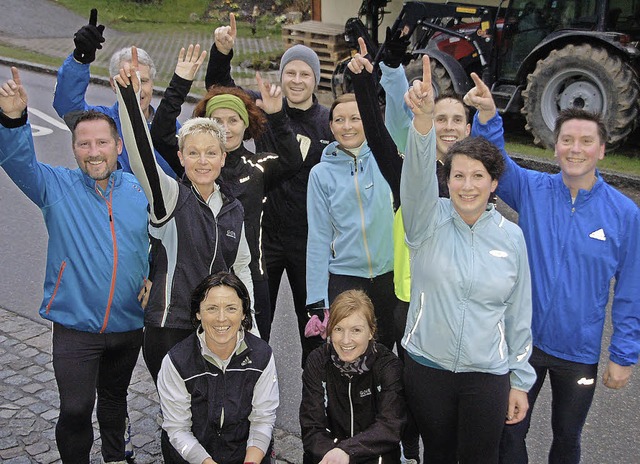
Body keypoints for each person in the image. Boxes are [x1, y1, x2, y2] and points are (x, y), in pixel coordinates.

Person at [463, 74, 640, 464]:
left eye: (586, 141)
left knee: (567, 439)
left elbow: (631, 290)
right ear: (555, 146)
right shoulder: (532, 189)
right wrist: (489, 115)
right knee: (510, 433)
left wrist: (624, 356)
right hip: (523, 343)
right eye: (567, 140)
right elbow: (495, 160)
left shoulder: (625, 214)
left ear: (602, 150)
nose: (575, 149)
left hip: (578, 352)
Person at [0, 67, 149, 464]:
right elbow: (18, 161)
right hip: (75, 327)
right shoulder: (56, 187)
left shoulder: (141, 191)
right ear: (74, 149)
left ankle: (117, 456)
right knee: (76, 408)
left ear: (118, 146)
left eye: (102, 142)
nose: (94, 151)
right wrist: (14, 120)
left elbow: (165, 240)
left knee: (115, 402)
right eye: (84, 144)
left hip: (129, 323)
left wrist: (157, 275)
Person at [400, 57, 536, 464]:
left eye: (478, 176)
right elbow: (417, 178)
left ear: (494, 183)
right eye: (458, 175)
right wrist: (424, 122)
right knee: (438, 456)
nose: (467, 185)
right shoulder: (426, 220)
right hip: (428, 368)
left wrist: (520, 381)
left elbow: (519, 315)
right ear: (449, 178)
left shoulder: (511, 238)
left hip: (487, 374)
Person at [113, 48, 255, 387]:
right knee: (177, 424)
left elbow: (241, 268)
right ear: (180, 156)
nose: (202, 161)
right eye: (193, 152)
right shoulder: (171, 197)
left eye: (210, 153)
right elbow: (141, 155)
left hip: (216, 328)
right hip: (169, 327)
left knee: (212, 417)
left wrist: (250, 324)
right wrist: (129, 100)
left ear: (223, 157)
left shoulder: (233, 208)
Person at [149, 44, 303, 341]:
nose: (226, 128)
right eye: (217, 121)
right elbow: (160, 134)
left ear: (246, 126)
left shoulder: (258, 167)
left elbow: (292, 160)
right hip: (194, 276)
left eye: (233, 120)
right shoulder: (194, 163)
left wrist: (278, 116)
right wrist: (180, 81)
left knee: (250, 357)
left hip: (250, 278)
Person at [206, 13, 333, 364]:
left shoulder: (328, 123)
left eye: (304, 74)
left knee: (315, 332)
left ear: (315, 80)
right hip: (264, 241)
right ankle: (247, 394)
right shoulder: (261, 109)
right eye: (290, 72)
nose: (296, 80)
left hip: (311, 243)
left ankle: (316, 405)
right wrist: (222, 52)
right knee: (254, 322)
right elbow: (220, 90)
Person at [305, 43, 399, 350]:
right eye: (339, 120)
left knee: (385, 352)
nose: (347, 126)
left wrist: (372, 78)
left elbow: (397, 119)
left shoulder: (386, 160)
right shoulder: (321, 174)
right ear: (330, 126)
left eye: (355, 118)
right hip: (345, 277)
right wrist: (316, 298)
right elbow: (318, 237)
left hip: (389, 276)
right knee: (349, 354)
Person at [157, 271, 279, 464]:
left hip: (245, 456)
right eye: (212, 308)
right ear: (198, 313)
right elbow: (178, 428)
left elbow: (262, 420)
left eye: (231, 308)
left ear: (244, 312)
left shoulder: (262, 356)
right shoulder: (176, 361)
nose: (221, 318)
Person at [52, 8, 177, 177]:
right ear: (113, 84)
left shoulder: (171, 127)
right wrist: (80, 60)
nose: (136, 89)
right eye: (127, 80)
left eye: (143, 81)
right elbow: (67, 105)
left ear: (153, 84)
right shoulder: (101, 122)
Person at [300, 289, 406, 464]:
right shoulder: (317, 361)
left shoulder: (388, 366)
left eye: (356, 330)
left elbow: (390, 425)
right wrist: (335, 455)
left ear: (371, 331)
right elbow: (311, 426)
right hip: (327, 457)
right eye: (338, 329)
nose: (346, 340)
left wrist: (347, 451)